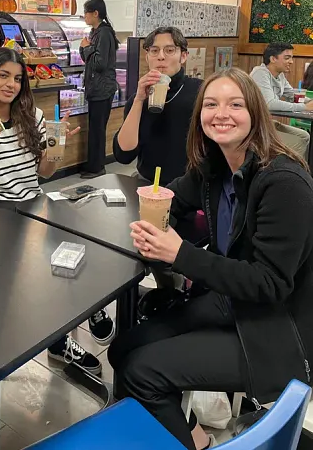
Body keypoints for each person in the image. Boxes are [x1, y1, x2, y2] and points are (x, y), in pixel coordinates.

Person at [109, 68, 313, 450]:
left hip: (276, 329)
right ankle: (192, 434)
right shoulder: (216, 167)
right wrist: (157, 222)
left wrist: (179, 253)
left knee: (141, 371)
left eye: (235, 105)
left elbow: (269, 283)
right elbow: (171, 197)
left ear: (255, 113)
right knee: (123, 348)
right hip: (231, 301)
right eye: (211, 104)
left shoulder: (285, 183)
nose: (221, 114)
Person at [0, 48, 113, 373]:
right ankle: (59, 342)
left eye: (17, 78)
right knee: (44, 264)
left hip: (32, 203)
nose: (11, 84)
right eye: (3, 76)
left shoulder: (32, 116)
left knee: (81, 235)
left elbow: (45, 173)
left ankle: (88, 305)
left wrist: (56, 145)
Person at [114, 27, 202, 186]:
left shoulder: (201, 92)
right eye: (154, 51)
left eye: (169, 50)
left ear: (183, 56)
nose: (161, 56)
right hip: (148, 185)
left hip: (191, 187)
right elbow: (123, 155)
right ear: (147, 57)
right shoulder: (138, 99)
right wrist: (139, 100)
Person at [79, 0, 119, 179]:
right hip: (96, 88)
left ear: (95, 13)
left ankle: (97, 168)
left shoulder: (104, 33)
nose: (84, 16)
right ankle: (93, 165)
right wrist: (84, 48)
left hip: (102, 89)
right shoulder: (95, 32)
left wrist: (87, 48)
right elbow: (88, 59)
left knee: (97, 130)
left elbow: (100, 64)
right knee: (95, 129)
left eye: (86, 12)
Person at [250, 43, 310, 156]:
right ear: (273, 59)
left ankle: (299, 166)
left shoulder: (279, 75)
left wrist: (309, 102)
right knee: (299, 142)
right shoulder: (260, 73)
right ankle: (282, 166)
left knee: (304, 136)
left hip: (266, 123)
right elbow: (269, 104)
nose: (291, 62)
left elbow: (291, 94)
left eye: (291, 58)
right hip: (254, 127)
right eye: (287, 58)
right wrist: (304, 107)